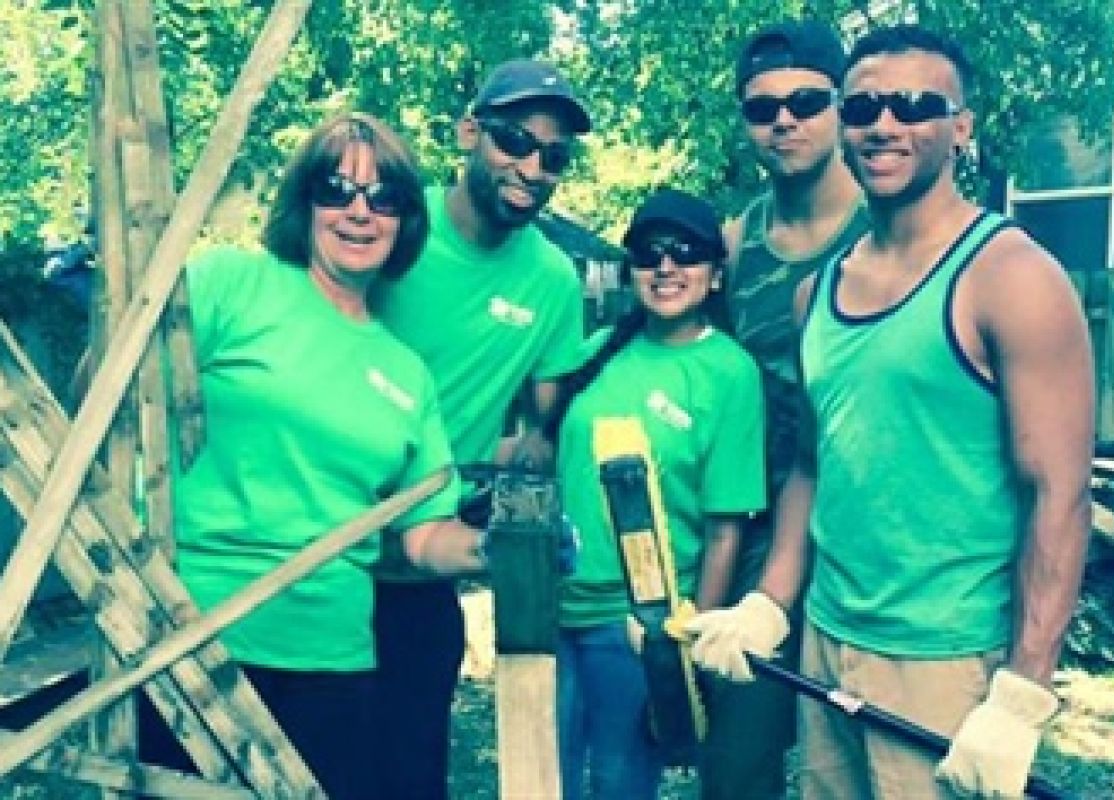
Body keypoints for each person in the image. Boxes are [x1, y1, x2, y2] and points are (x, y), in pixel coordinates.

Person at [687, 24, 1094, 800]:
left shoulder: (1011, 278)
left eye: (914, 105)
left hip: (944, 658)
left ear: (960, 127)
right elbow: (813, 461)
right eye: (865, 104)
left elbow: (1061, 495)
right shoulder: (819, 289)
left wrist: (1020, 696)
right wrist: (771, 603)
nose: (885, 124)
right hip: (827, 639)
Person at [141, 112, 485, 799]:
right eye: (338, 190)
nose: (361, 212)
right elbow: (123, 394)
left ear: (405, 221)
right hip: (193, 640)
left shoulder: (405, 372)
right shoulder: (230, 284)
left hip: (334, 663)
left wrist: (499, 548)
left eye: (384, 197)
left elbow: (422, 539)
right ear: (305, 202)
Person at [372, 59, 590, 799]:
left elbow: (543, 432)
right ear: (470, 132)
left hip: (422, 558)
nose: (531, 165)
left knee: (410, 774)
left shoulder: (555, 280)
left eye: (553, 155)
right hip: (320, 544)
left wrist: (533, 524)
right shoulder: (392, 226)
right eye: (513, 139)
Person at [548, 188, 766, 800]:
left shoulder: (729, 372)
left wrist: (686, 640)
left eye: (686, 252)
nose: (666, 267)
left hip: (638, 624)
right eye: (649, 253)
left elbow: (728, 526)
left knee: (619, 784)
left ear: (715, 273)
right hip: (551, 609)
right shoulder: (599, 352)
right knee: (543, 779)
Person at [701, 19, 871, 800]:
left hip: (875, 548)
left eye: (806, 100)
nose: (784, 120)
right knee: (736, 769)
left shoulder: (892, 225)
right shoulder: (736, 247)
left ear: (840, 107)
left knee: (877, 769)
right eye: (762, 107)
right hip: (767, 537)